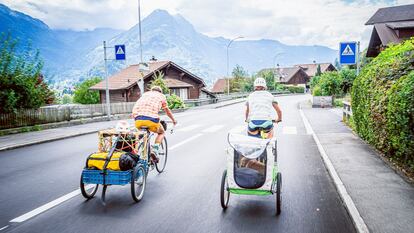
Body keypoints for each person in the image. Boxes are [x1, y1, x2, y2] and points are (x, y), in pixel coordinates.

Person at [132, 86, 177, 161]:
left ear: (151, 90)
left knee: (142, 135)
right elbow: (167, 111)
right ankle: (154, 150)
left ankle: (136, 150)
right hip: (151, 120)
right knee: (161, 133)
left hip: (138, 120)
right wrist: (173, 120)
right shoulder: (161, 96)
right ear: (160, 92)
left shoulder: (145, 95)